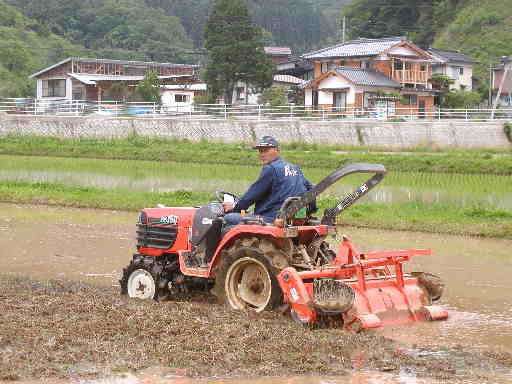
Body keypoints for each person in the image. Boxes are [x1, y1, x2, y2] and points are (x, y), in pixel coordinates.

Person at [223, 135, 315, 226]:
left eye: (266, 150)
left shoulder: (271, 168)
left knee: (229, 218)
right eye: (260, 151)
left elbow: (251, 196)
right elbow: (311, 190)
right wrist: (310, 211)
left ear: (278, 150)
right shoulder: (295, 168)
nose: (262, 154)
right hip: (293, 218)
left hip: (273, 218)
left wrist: (235, 207)